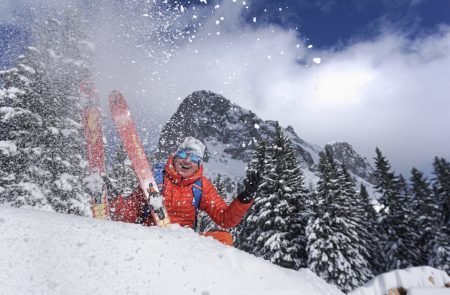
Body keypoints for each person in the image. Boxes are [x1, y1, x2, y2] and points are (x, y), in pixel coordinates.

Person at [109, 136, 260, 245]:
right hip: (152, 238)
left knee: (224, 238)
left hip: (185, 242)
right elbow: (129, 213)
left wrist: (244, 198)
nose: (187, 161)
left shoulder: (200, 185)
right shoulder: (155, 178)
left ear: (199, 164)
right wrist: (114, 201)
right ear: (174, 157)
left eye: (194, 159)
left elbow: (224, 219)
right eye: (183, 155)